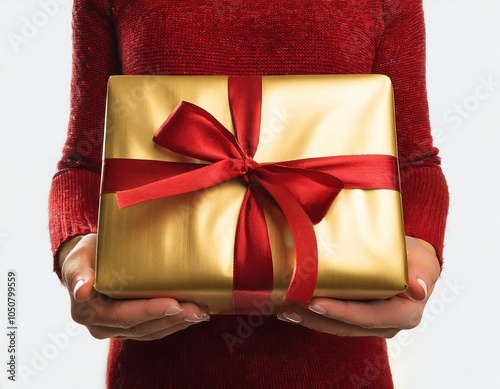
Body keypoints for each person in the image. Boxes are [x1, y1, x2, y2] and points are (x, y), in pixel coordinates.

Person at [49, 1, 449, 388]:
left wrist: (419, 249)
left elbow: (413, 162)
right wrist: (77, 251)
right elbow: (84, 163)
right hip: (153, 374)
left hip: (346, 375)